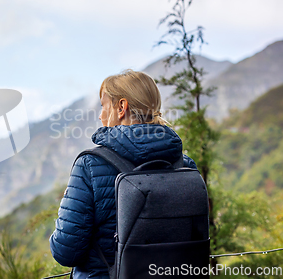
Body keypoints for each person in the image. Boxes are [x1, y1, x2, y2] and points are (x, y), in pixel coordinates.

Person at [49, 69, 198, 279]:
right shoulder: (185, 166)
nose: (101, 116)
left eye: (103, 106)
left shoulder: (90, 165)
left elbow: (66, 252)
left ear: (121, 107)